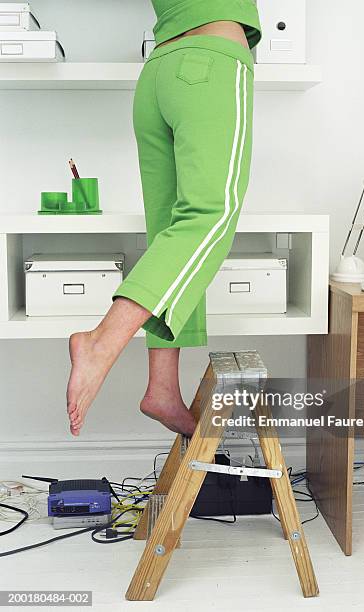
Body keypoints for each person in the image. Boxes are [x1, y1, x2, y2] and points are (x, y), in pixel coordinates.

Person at [66, 1, 262, 437]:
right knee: (211, 214)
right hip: (211, 64)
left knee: (171, 232)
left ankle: (162, 388)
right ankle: (101, 343)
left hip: (158, 74)